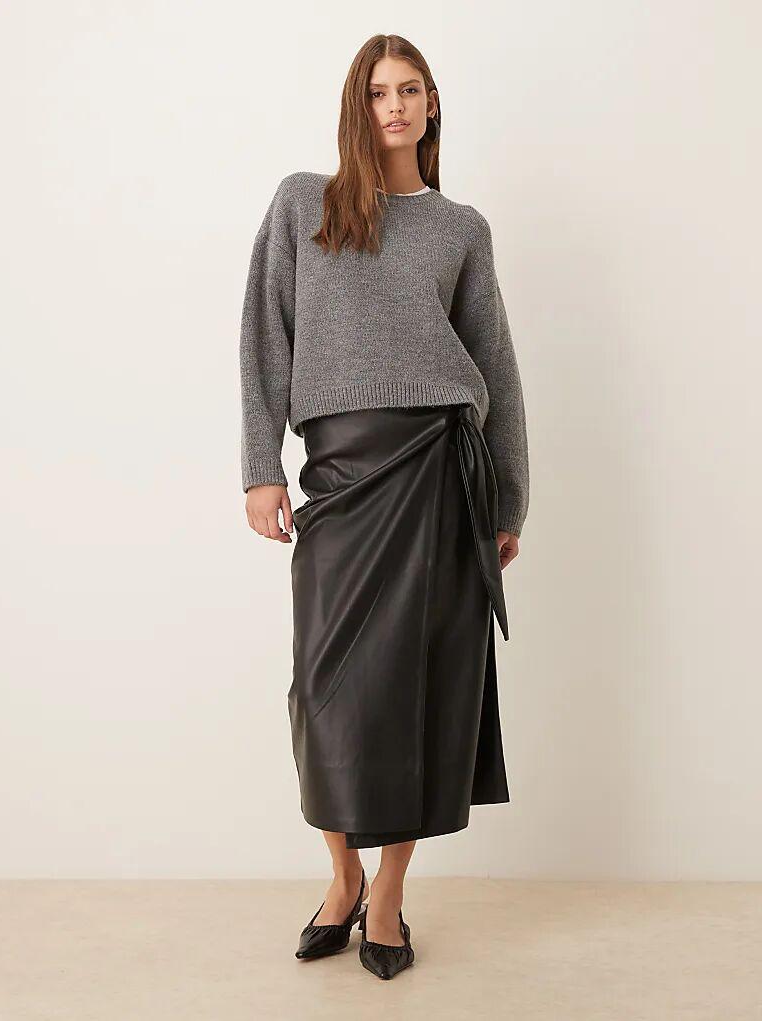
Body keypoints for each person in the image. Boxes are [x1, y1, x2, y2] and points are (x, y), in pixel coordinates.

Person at [238, 33, 529, 981]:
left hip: (440, 476)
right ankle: (342, 875)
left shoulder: (460, 229)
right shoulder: (304, 203)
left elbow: (497, 371)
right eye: (376, 92)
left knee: (418, 694)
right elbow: (264, 337)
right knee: (323, 690)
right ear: (355, 106)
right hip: (340, 476)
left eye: (409, 90)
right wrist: (261, 465)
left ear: (431, 103)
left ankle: (390, 894)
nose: (393, 106)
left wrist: (509, 498)